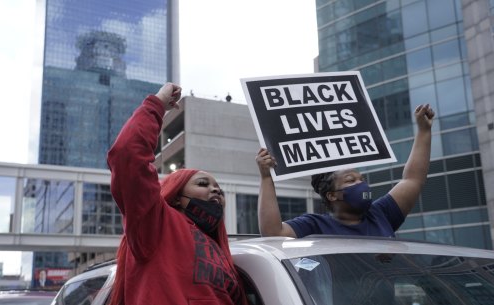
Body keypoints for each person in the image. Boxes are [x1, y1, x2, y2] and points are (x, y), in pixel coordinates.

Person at [107, 83, 248, 305]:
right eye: (203, 183)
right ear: (175, 197)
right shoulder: (157, 226)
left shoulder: (223, 253)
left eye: (219, 190)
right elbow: (128, 155)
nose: (215, 190)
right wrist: (157, 104)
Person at [256, 104, 435, 238]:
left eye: (361, 179)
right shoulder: (315, 226)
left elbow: (412, 179)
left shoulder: (382, 214)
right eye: (351, 180)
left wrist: (424, 131)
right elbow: (273, 233)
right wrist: (266, 177)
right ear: (333, 195)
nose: (361, 184)